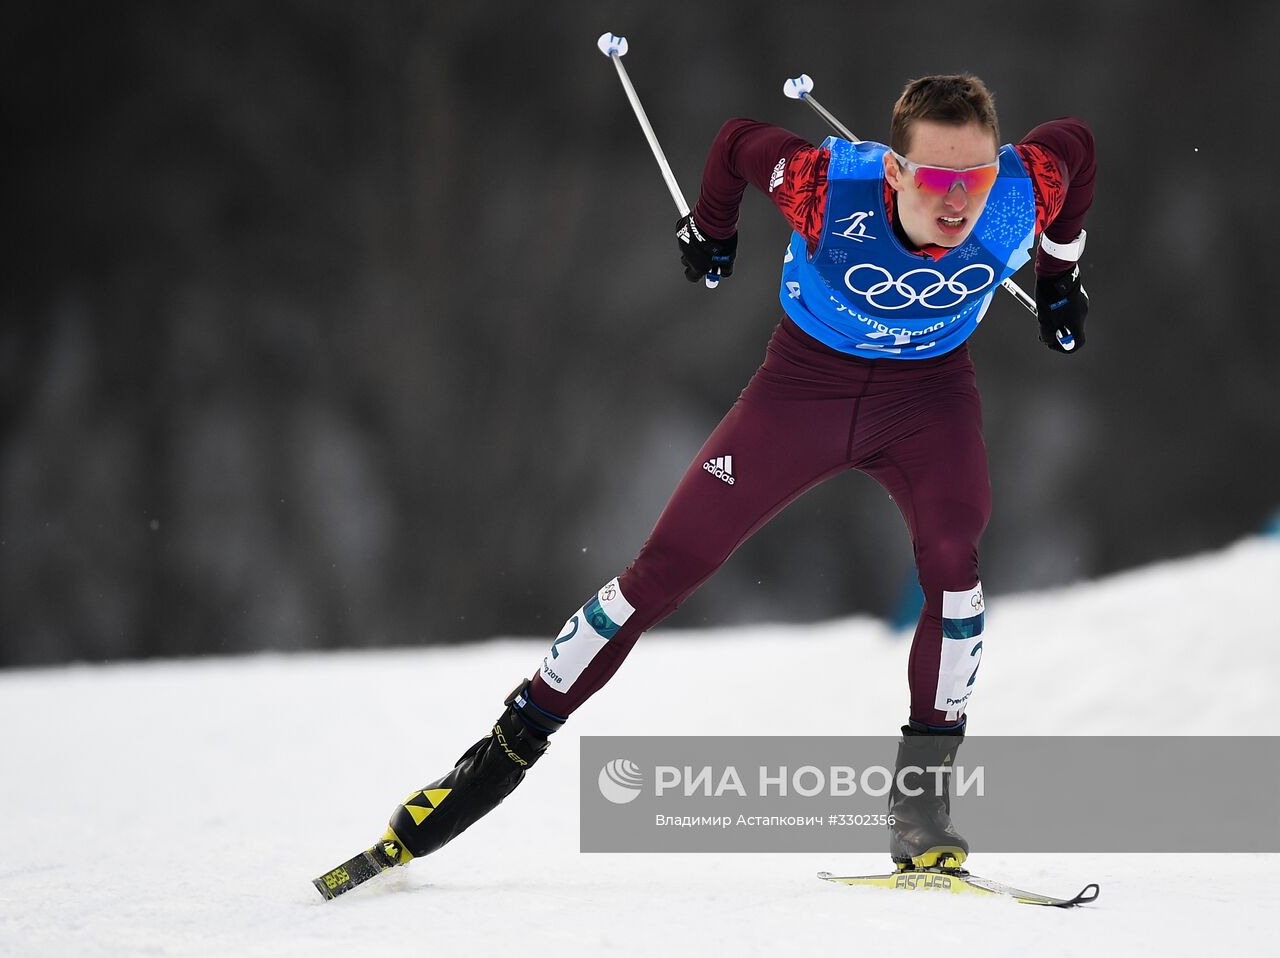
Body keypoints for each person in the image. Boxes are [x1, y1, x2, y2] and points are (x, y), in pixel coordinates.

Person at [372, 74, 1094, 875]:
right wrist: (713, 231)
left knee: (955, 569)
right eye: (935, 178)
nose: (959, 203)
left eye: (976, 178)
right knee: (663, 571)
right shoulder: (831, 190)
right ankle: (498, 757)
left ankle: (921, 807)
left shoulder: (1021, 192)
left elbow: (1079, 147)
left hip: (926, 402)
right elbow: (736, 143)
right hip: (802, 393)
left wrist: (1058, 279)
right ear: (894, 171)